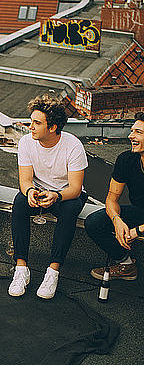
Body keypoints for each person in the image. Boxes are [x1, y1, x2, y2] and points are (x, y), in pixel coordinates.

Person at [8, 95, 88, 299]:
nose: (30, 126)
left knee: (70, 209)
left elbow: (76, 189)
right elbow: (25, 181)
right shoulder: (27, 142)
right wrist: (29, 192)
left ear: (52, 127)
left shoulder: (73, 145)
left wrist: (56, 196)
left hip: (64, 194)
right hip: (40, 191)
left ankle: (53, 271)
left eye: (37, 123)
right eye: (31, 121)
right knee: (19, 202)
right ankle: (21, 268)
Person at [84, 112, 144, 281]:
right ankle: (126, 264)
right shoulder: (126, 159)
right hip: (140, 212)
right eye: (132, 131)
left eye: (138, 132)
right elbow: (111, 199)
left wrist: (136, 231)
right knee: (94, 223)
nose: (130, 135)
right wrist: (117, 221)